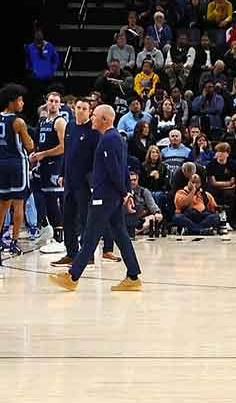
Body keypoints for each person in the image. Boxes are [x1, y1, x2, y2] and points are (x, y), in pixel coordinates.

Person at [49, 104, 142, 292]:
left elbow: (115, 170)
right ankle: (133, 275)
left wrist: (125, 193)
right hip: (112, 196)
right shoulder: (117, 138)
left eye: (95, 115)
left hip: (105, 196)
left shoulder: (109, 139)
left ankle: (72, 277)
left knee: (90, 235)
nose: (92, 118)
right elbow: (123, 168)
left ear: (105, 119)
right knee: (120, 235)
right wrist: (126, 192)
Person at [28, 91, 69, 252]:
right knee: (34, 191)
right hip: (42, 164)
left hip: (55, 164)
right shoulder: (43, 120)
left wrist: (42, 154)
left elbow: (63, 147)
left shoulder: (60, 122)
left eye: (56, 101)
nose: (53, 103)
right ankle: (46, 227)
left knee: (52, 200)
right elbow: (40, 143)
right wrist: (35, 153)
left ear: (60, 104)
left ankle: (59, 238)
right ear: (46, 102)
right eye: (51, 100)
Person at [0, 85, 36, 251]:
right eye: (20, 100)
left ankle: (0, 239)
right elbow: (29, 146)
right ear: (11, 102)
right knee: (19, 203)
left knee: (3, 204)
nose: (22, 103)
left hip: (1, 163)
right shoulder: (18, 121)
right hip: (16, 164)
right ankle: (14, 242)